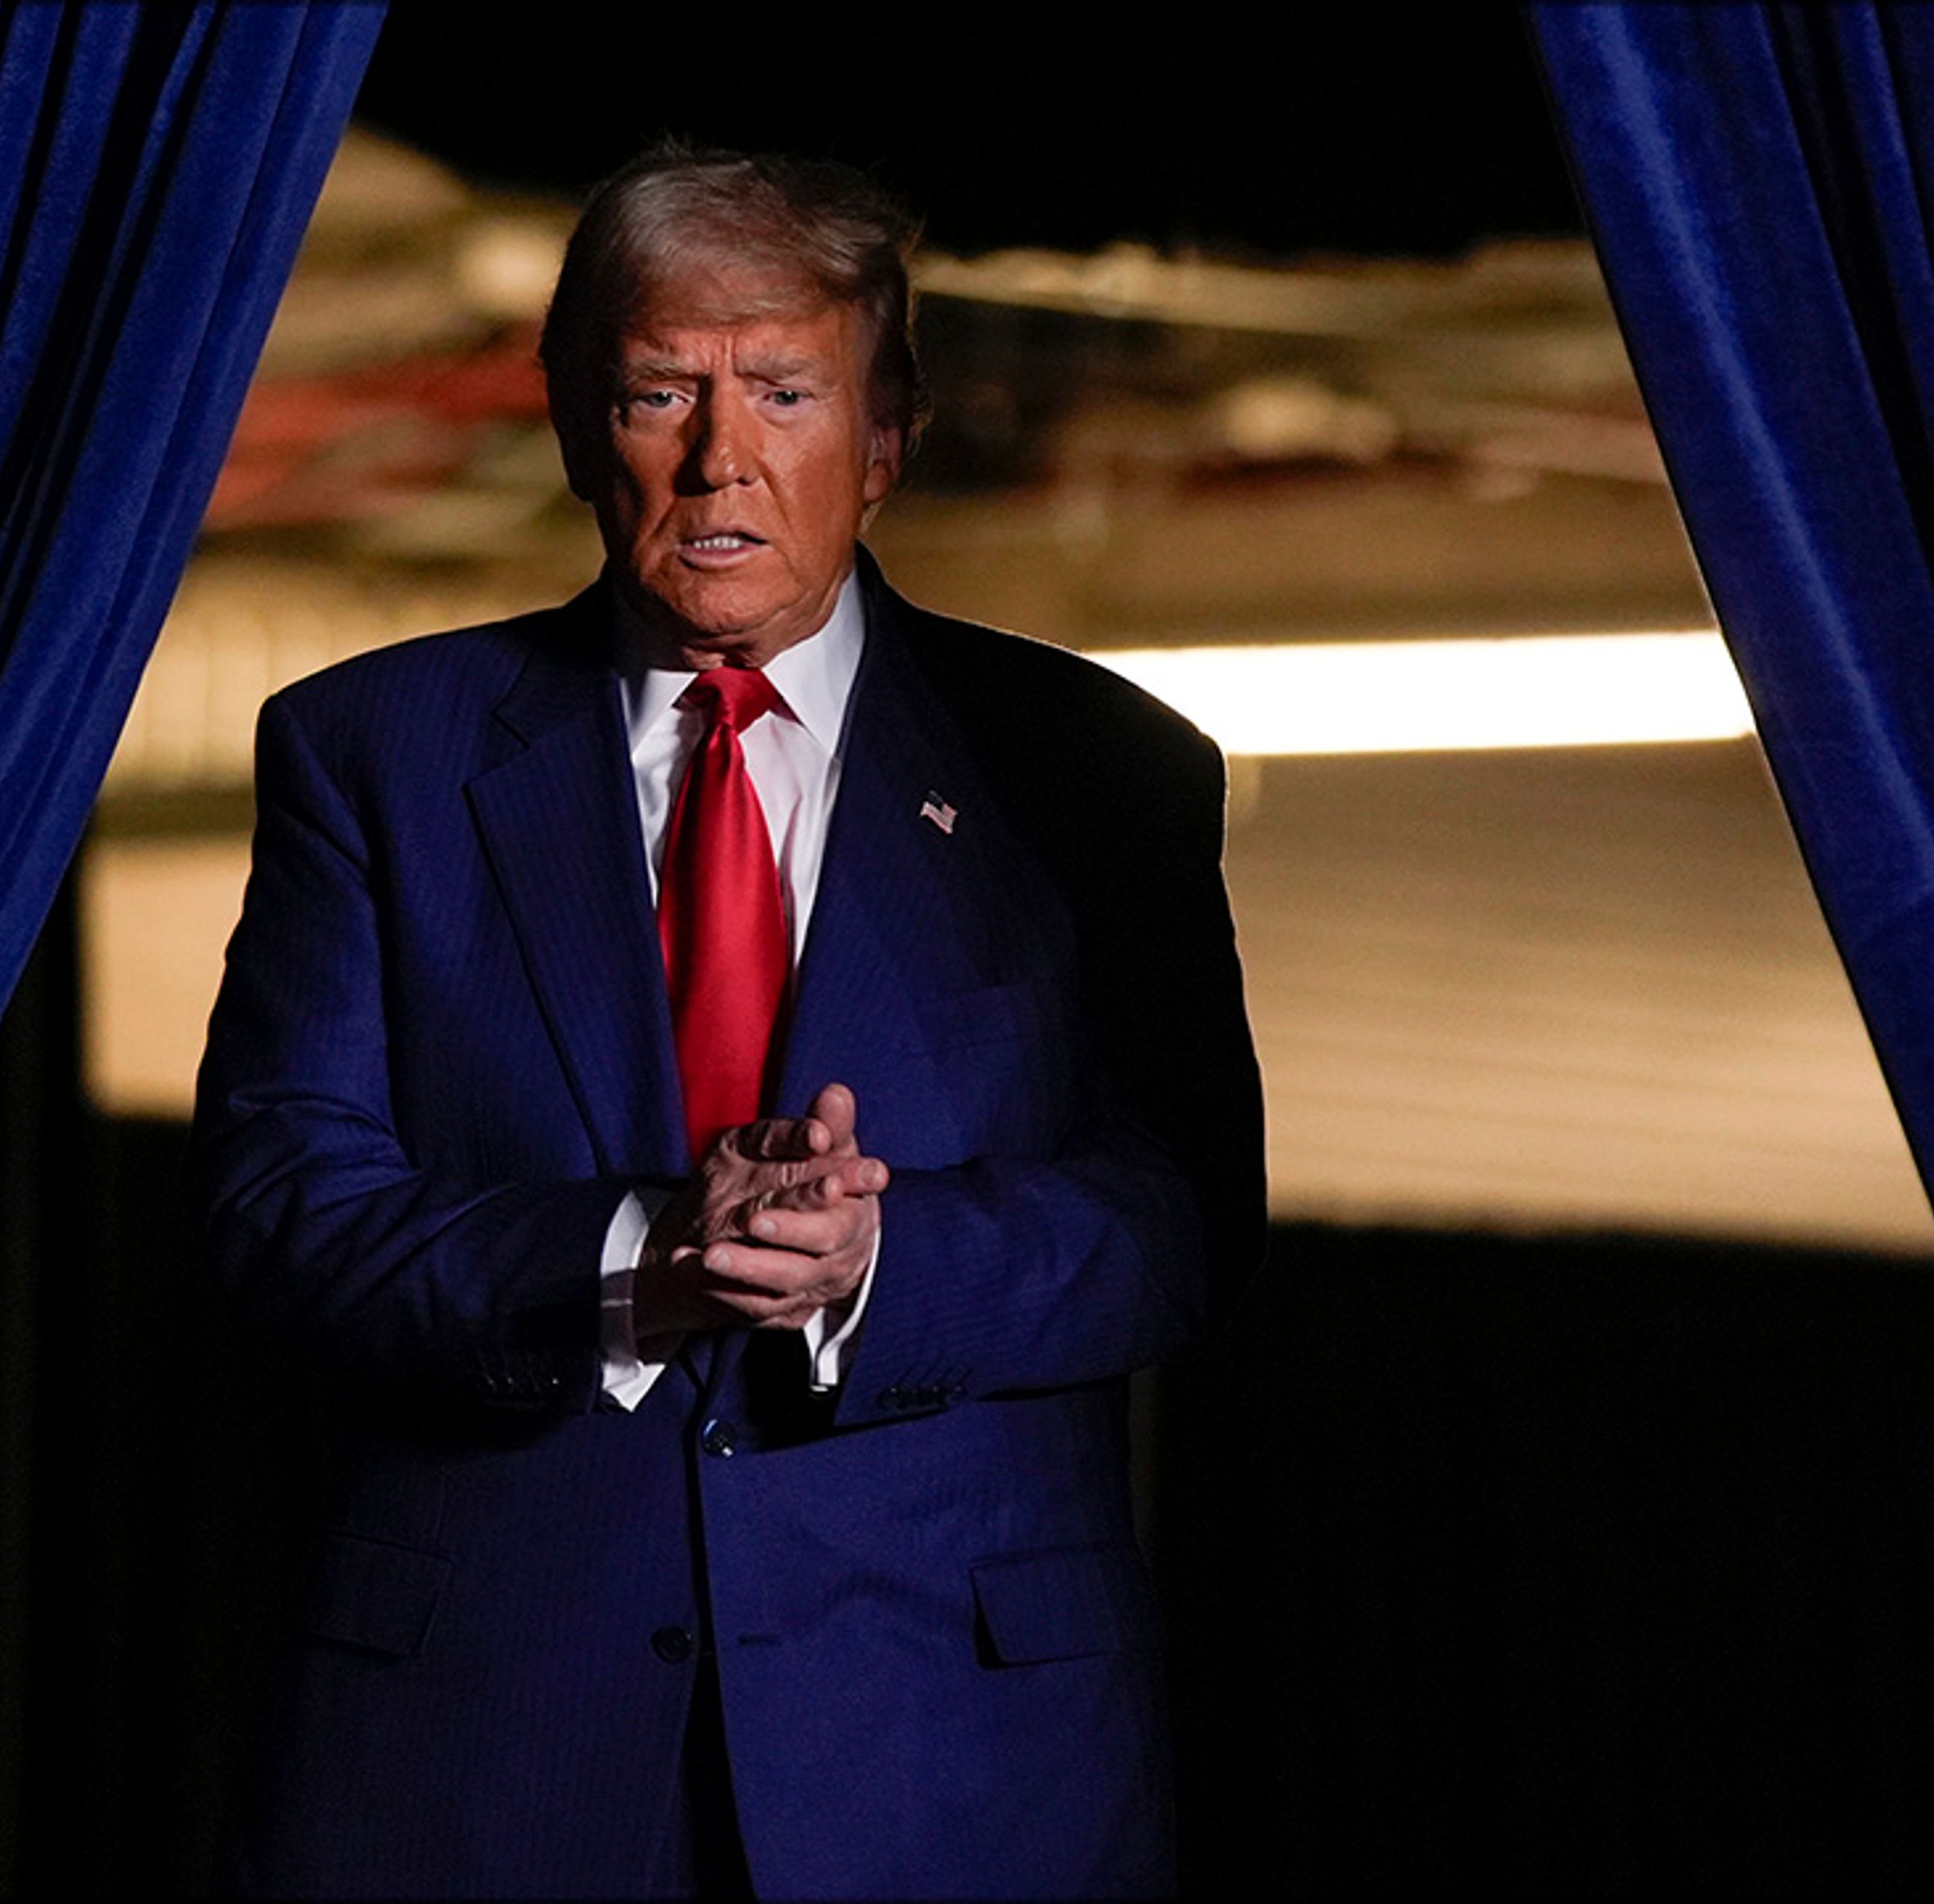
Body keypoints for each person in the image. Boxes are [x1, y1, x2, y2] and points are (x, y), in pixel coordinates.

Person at [189, 144, 1264, 1899]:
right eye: (658, 392)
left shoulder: (1096, 773)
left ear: (888, 432)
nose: (721, 457)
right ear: (569, 430)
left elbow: (1179, 1224)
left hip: (950, 1760)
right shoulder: (370, 753)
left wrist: (871, 1257)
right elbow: (279, 1213)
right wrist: (638, 1254)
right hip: (483, 1755)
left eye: (783, 391)